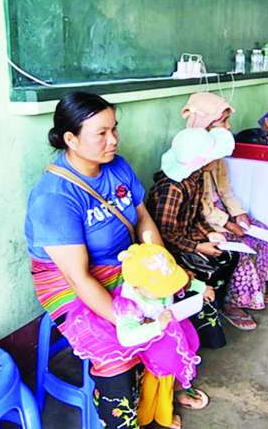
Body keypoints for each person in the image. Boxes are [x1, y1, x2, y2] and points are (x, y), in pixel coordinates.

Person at [24, 92, 207, 428]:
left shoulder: (117, 167)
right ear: (71, 139)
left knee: (173, 307)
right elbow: (79, 278)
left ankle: (161, 390)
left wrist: (161, 267)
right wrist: (128, 319)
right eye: (101, 133)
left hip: (122, 263)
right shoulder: (55, 197)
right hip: (69, 279)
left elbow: (143, 218)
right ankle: (122, 417)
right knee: (118, 351)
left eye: (114, 129)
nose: (113, 140)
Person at [181, 92, 268, 331]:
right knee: (240, 248)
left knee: (260, 232)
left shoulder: (218, 156)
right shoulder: (191, 156)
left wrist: (239, 213)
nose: (229, 126)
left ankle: (254, 290)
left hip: (222, 214)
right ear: (205, 124)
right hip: (205, 221)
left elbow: (225, 190)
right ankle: (233, 303)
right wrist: (227, 223)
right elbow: (200, 208)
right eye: (223, 121)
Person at [146, 127, 240, 349]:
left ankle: (214, 302)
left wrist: (208, 233)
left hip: (188, 239)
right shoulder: (172, 188)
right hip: (170, 249)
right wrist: (198, 247)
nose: (217, 160)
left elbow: (195, 215)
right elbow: (166, 234)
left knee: (230, 256)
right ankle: (202, 320)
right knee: (208, 270)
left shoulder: (195, 178)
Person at [114, 242, 213, 429]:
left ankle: (163, 413)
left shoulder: (155, 283)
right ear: (137, 287)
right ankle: (155, 417)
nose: (169, 290)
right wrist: (157, 326)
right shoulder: (129, 303)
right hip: (151, 346)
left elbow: (181, 284)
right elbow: (126, 337)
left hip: (170, 336)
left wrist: (202, 288)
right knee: (155, 382)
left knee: (166, 378)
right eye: (163, 288)